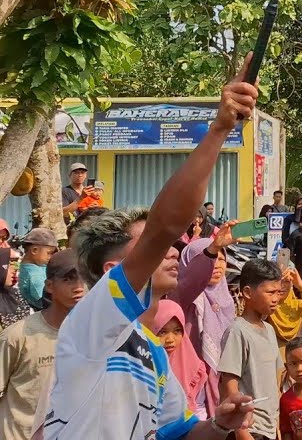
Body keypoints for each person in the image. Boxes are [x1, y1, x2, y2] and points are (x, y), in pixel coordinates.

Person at [39, 65, 259, 439]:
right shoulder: (93, 323)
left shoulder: (151, 350)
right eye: (150, 247)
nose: (171, 250)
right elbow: (165, 227)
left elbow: (183, 432)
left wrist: (221, 424)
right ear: (113, 269)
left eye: (169, 246)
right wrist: (219, 129)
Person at [0, 250, 83, 439]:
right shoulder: (18, 336)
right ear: (49, 286)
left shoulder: (91, 337)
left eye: (83, 279)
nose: (79, 287)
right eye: (68, 279)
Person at [218, 259, 285, 440]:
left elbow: (275, 381)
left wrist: (276, 425)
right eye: (270, 292)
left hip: (268, 429)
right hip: (249, 429)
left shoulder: (270, 330)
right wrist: (241, 430)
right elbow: (229, 385)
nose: (276, 299)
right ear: (247, 292)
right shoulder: (237, 331)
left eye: (279, 292)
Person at [174, 227, 240, 382]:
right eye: (211, 260)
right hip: (191, 375)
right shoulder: (185, 295)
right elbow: (192, 280)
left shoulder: (227, 298)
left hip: (223, 375)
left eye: (221, 259)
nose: (217, 265)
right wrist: (212, 250)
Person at [150, 299, 217, 421]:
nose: (170, 339)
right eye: (162, 332)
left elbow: (199, 407)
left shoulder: (195, 367)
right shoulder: (143, 363)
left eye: (177, 331)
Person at [267, 267, 302, 355]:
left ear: (292, 285)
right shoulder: (268, 307)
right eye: (278, 281)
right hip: (275, 358)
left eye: (286, 281)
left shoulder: (300, 306)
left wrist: (301, 285)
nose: (282, 286)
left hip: (300, 358)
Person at [280, 336, 302, 440]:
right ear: (287, 367)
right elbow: (286, 432)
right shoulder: (286, 400)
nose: (299, 369)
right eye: (294, 364)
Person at [17, 228, 58, 309]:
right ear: (34, 250)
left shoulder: (37, 266)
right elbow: (46, 302)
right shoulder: (34, 276)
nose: (51, 257)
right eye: (49, 253)